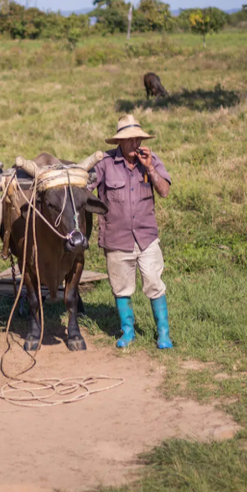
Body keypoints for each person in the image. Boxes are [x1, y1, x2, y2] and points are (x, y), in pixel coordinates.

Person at [90, 113, 172, 349]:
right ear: (120, 142)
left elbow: (164, 191)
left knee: (154, 283)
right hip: (117, 238)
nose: (135, 144)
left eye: (138, 139)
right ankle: (128, 332)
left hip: (146, 237)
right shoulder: (105, 163)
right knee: (121, 287)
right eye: (130, 139)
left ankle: (163, 334)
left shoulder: (151, 160)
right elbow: (85, 186)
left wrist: (150, 167)